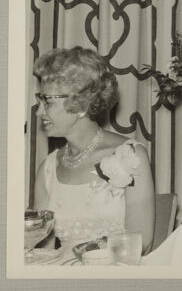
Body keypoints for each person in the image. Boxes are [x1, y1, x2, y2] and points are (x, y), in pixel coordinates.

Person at [33, 46, 155, 254]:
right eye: (40, 99)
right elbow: (42, 251)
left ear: (81, 105)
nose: (39, 111)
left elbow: (141, 243)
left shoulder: (130, 156)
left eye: (48, 102)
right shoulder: (48, 168)